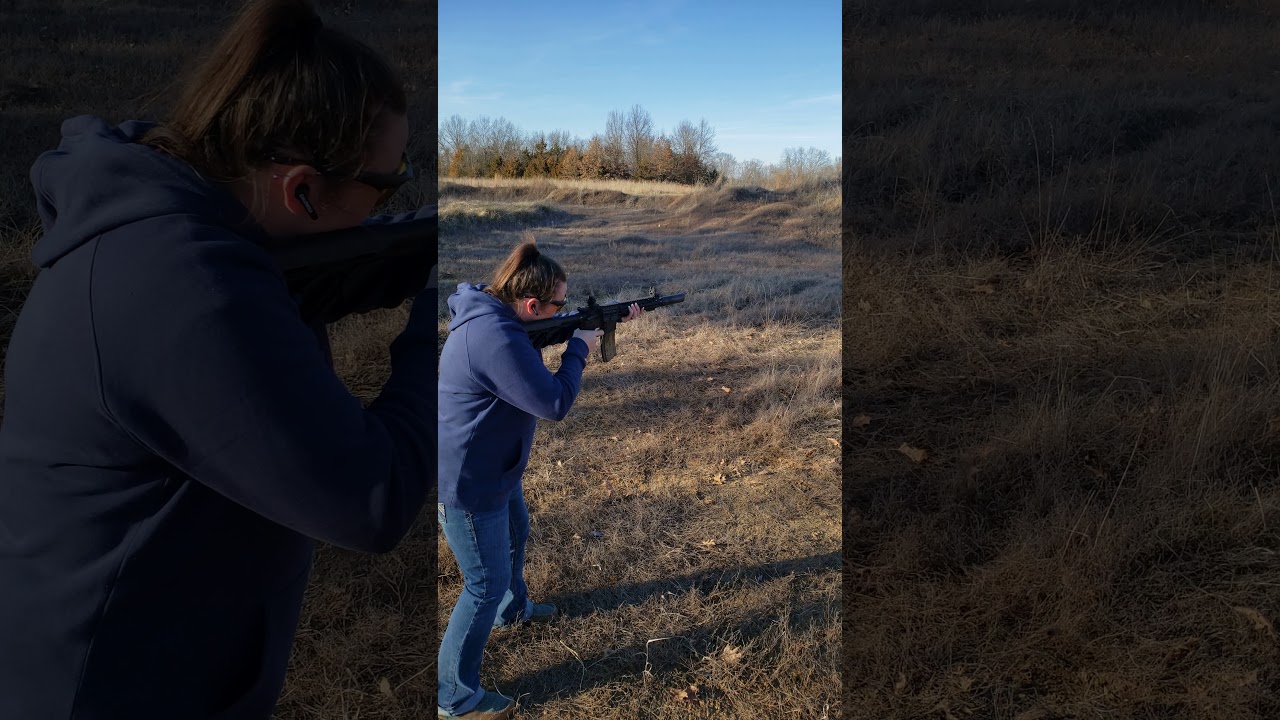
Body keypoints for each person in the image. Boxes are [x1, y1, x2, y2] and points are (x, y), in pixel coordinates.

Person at [0, 1, 435, 718]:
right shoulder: (184, 289)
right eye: (390, 179)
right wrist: (444, 330)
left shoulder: (181, 215)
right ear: (300, 187)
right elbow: (373, 497)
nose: (399, 186)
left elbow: (332, 262)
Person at [436, 242, 642, 719]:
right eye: (557, 305)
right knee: (483, 584)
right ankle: (454, 696)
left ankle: (513, 610)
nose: (562, 311)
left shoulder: (499, 319)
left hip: (496, 466)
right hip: (469, 483)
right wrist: (579, 350)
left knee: (516, 535)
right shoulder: (494, 337)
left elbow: (533, 338)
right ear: (531, 305)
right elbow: (553, 403)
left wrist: (597, 321)